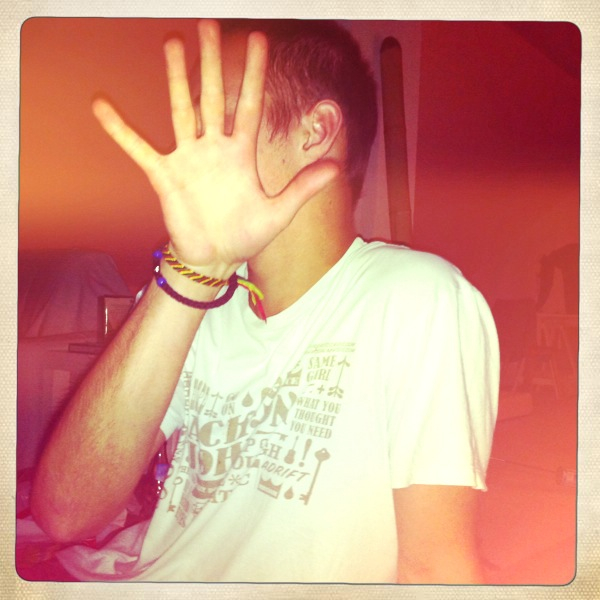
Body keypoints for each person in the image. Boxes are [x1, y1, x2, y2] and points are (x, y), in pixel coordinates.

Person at [29, 18, 499, 583]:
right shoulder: (193, 294)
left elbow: (437, 566)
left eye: (218, 122)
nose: (191, 150)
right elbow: (65, 513)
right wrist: (193, 274)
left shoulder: (415, 297)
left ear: (316, 131)